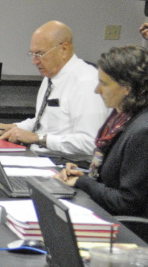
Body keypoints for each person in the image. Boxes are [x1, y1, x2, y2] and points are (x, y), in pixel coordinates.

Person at [0, 21, 109, 161]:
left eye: (40, 54)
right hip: (43, 157)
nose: (34, 61)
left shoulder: (85, 82)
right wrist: (13, 127)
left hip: (71, 165)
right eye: (32, 54)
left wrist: (38, 139)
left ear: (64, 49)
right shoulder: (51, 76)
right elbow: (44, 122)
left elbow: (91, 142)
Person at [55, 45, 148, 222]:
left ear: (126, 88)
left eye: (104, 83)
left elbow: (127, 203)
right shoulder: (121, 116)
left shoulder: (142, 131)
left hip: (127, 228)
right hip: (105, 211)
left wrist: (83, 182)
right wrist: (81, 173)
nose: (97, 90)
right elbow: (110, 178)